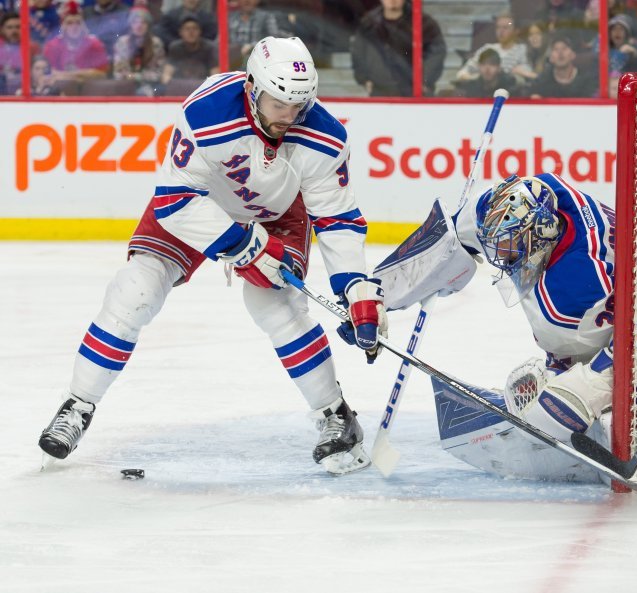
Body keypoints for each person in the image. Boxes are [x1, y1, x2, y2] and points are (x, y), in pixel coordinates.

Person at [37, 37, 386, 477]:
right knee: (136, 291)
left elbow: (336, 218)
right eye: (279, 103)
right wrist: (243, 245)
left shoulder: (325, 136)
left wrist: (355, 287)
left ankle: (336, 415)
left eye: (300, 104)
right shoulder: (206, 110)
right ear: (253, 88)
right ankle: (78, 405)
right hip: (195, 205)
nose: (290, 116)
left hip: (277, 212)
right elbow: (176, 199)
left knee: (274, 303)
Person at [374, 173, 637, 481]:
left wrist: (560, 378)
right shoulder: (537, 196)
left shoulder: (575, 283)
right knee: (553, 394)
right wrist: (374, 295)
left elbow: (592, 344)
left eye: (510, 248)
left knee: (549, 416)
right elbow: (452, 233)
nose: (501, 257)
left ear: (539, 233)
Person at [350, 0, 446, 97]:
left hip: (416, 93)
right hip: (380, 92)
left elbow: (436, 52)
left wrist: (424, 80)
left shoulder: (425, 23)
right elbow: (358, 52)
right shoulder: (368, 23)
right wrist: (364, 79)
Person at [43, 3, 109, 91]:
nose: (74, 27)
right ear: (63, 26)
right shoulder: (53, 46)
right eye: (69, 23)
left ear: (83, 25)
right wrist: (84, 74)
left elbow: (102, 74)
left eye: (78, 23)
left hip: (89, 92)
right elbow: (49, 74)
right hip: (61, 93)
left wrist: (67, 75)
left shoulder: (94, 44)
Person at [455, 13, 532, 84]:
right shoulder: (487, 49)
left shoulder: (523, 50)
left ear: (516, 31)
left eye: (505, 28)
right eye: (498, 27)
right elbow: (463, 72)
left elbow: (526, 74)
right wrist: (478, 78)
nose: (501, 31)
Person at [112, 6, 165, 96]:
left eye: (143, 22)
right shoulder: (122, 42)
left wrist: (135, 76)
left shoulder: (156, 43)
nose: (139, 25)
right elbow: (119, 73)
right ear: (130, 25)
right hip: (125, 86)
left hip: (151, 86)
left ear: (148, 26)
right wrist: (132, 77)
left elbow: (158, 73)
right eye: (135, 22)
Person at [527, 34, 597, 99]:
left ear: (573, 55)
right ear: (551, 58)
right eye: (555, 49)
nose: (560, 53)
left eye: (564, 48)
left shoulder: (586, 79)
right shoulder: (543, 80)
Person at [160, 15, 218, 89]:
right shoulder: (175, 48)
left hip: (203, 89)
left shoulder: (209, 48)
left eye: (195, 28)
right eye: (187, 29)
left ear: (200, 31)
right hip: (180, 88)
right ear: (180, 32)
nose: (191, 32)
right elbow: (166, 76)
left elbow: (215, 76)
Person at [228, 0, 282, 68]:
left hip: (258, 58)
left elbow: (273, 39)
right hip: (232, 59)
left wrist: (251, 47)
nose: (247, 1)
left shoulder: (266, 17)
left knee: (248, 61)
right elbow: (219, 42)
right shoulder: (230, 18)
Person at [452, 48, 516, 98]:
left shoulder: (510, 89)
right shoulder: (469, 88)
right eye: (483, 64)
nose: (487, 68)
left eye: (492, 64)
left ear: (499, 68)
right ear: (478, 66)